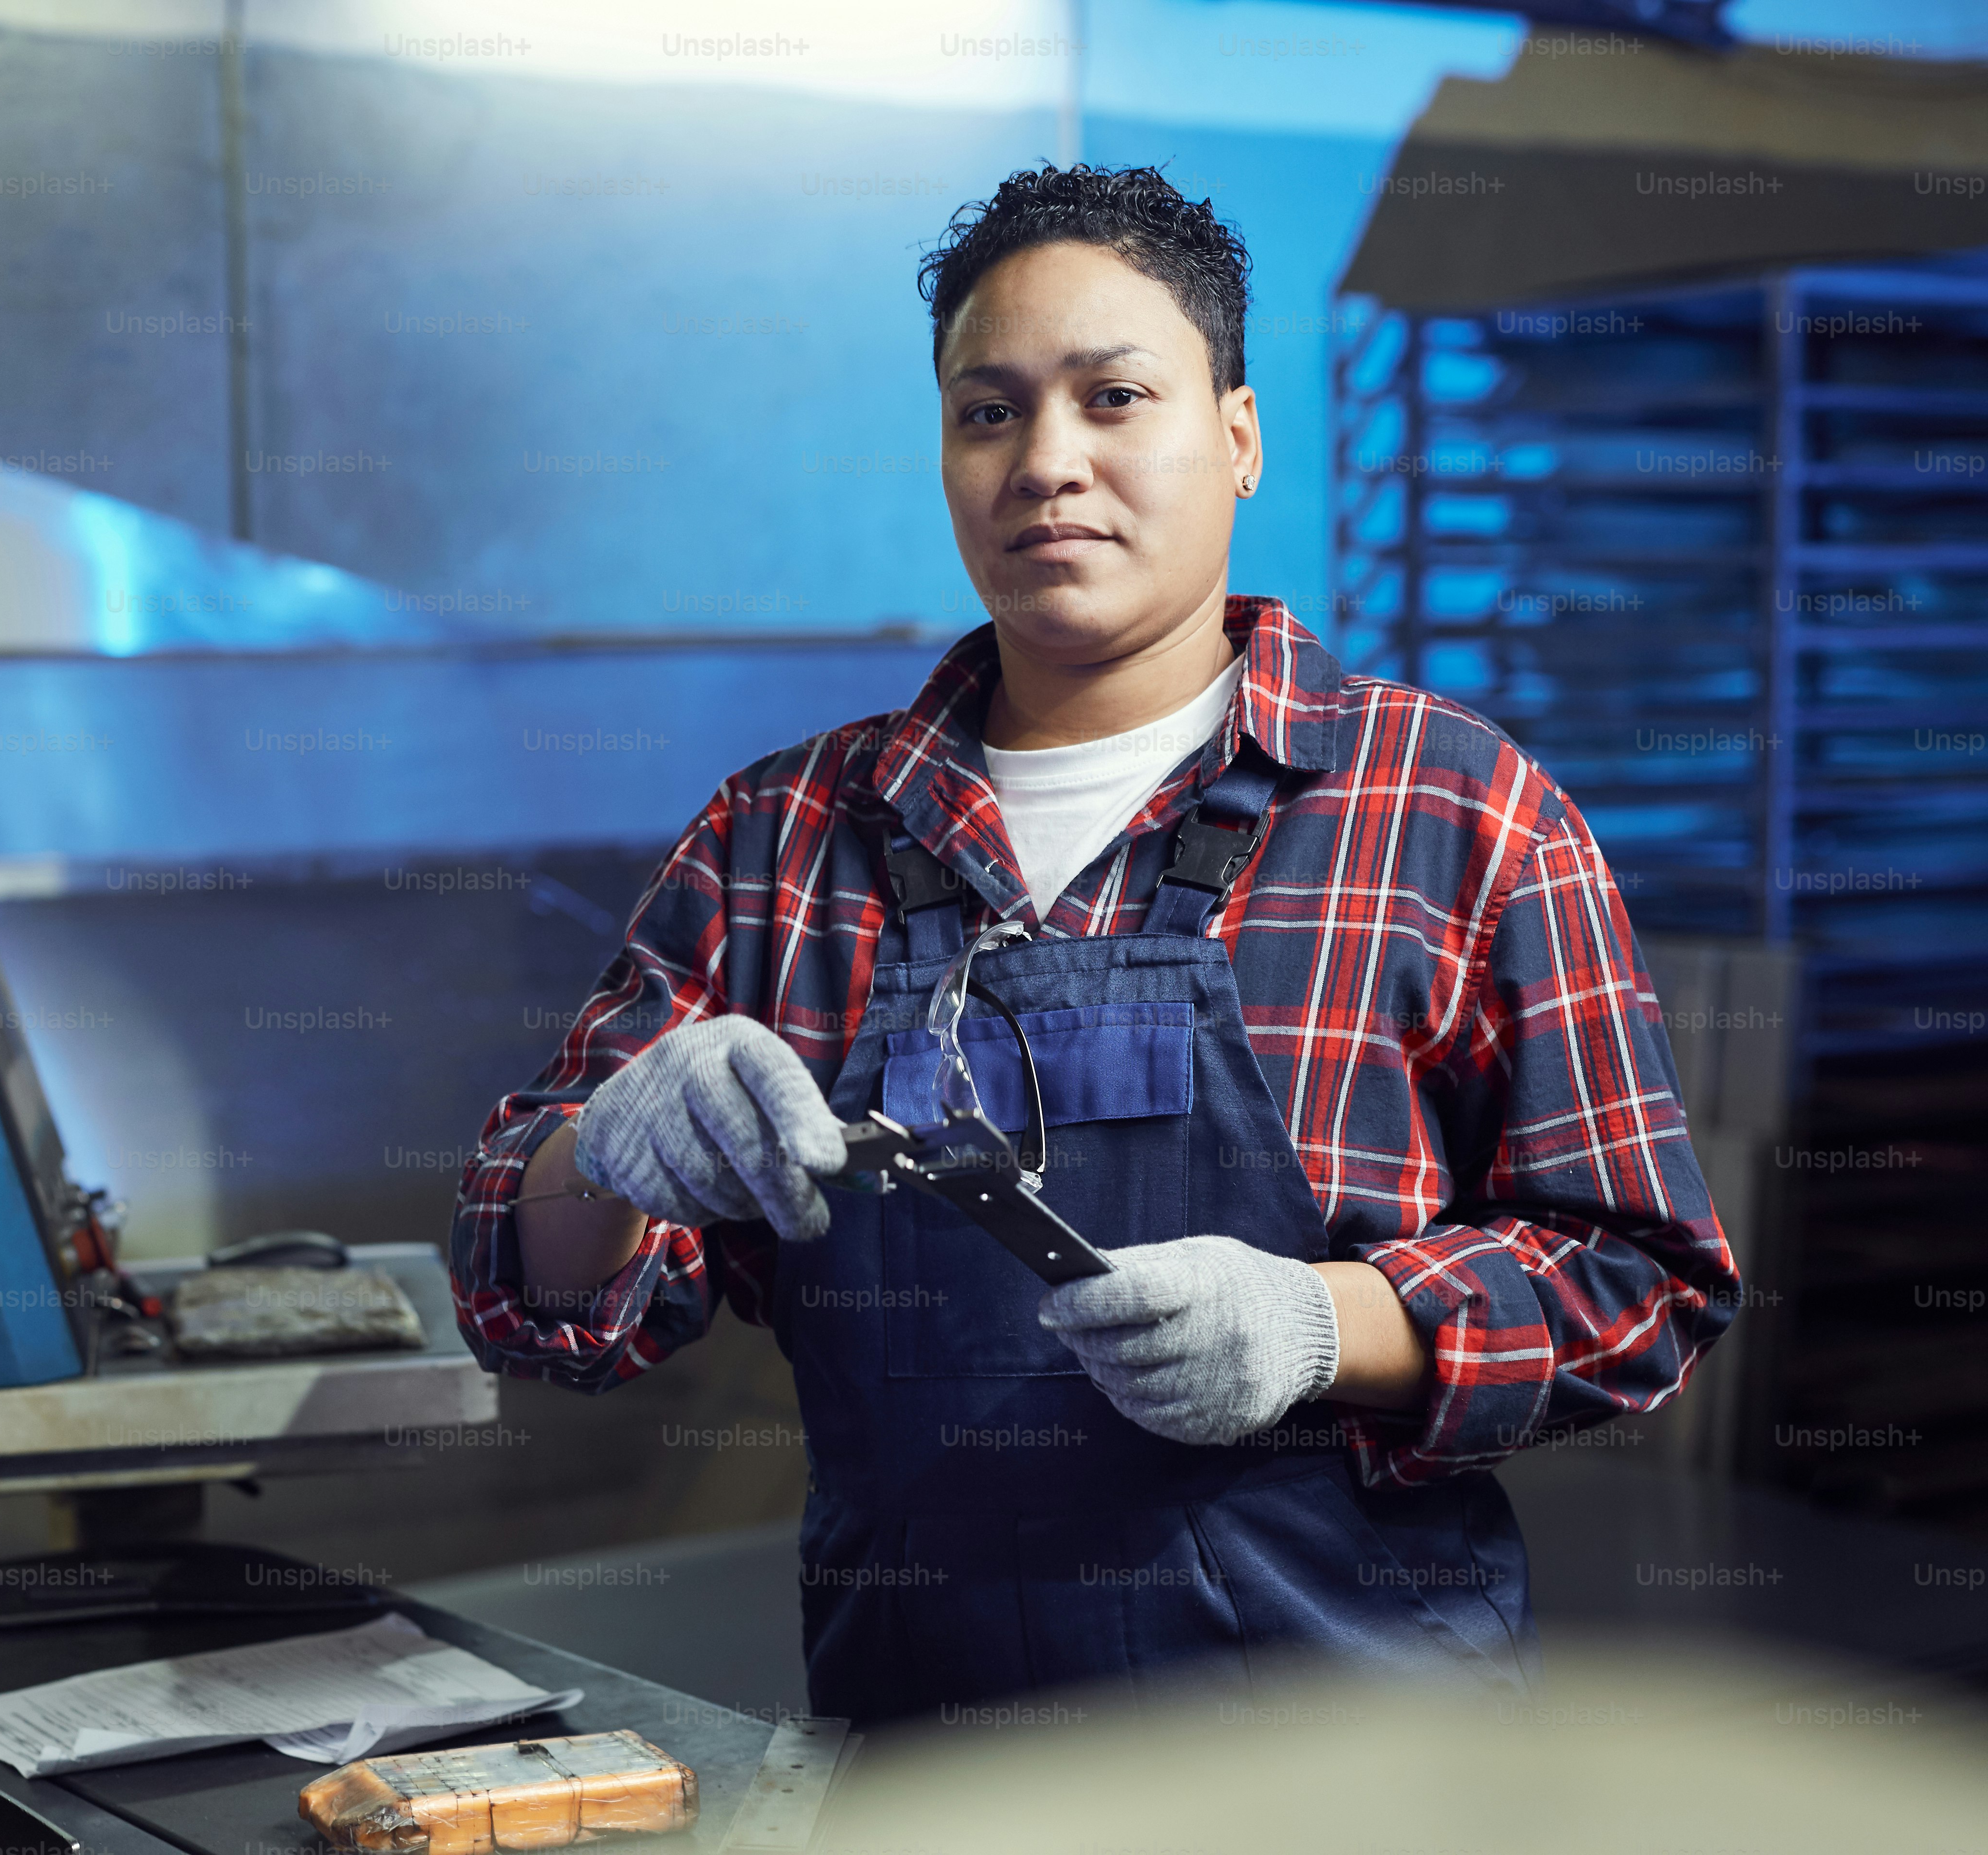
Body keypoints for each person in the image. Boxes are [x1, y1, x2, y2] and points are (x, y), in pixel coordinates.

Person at [446, 163, 1738, 1724]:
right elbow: (528, 1301)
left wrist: (1323, 1327)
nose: (1048, 461)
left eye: (1115, 396)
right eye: (988, 413)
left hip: (1364, 1775)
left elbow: (1643, 1286)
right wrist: (604, 1153)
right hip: (929, 1750)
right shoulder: (783, 839)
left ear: (1242, 439)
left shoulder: (1455, 811)